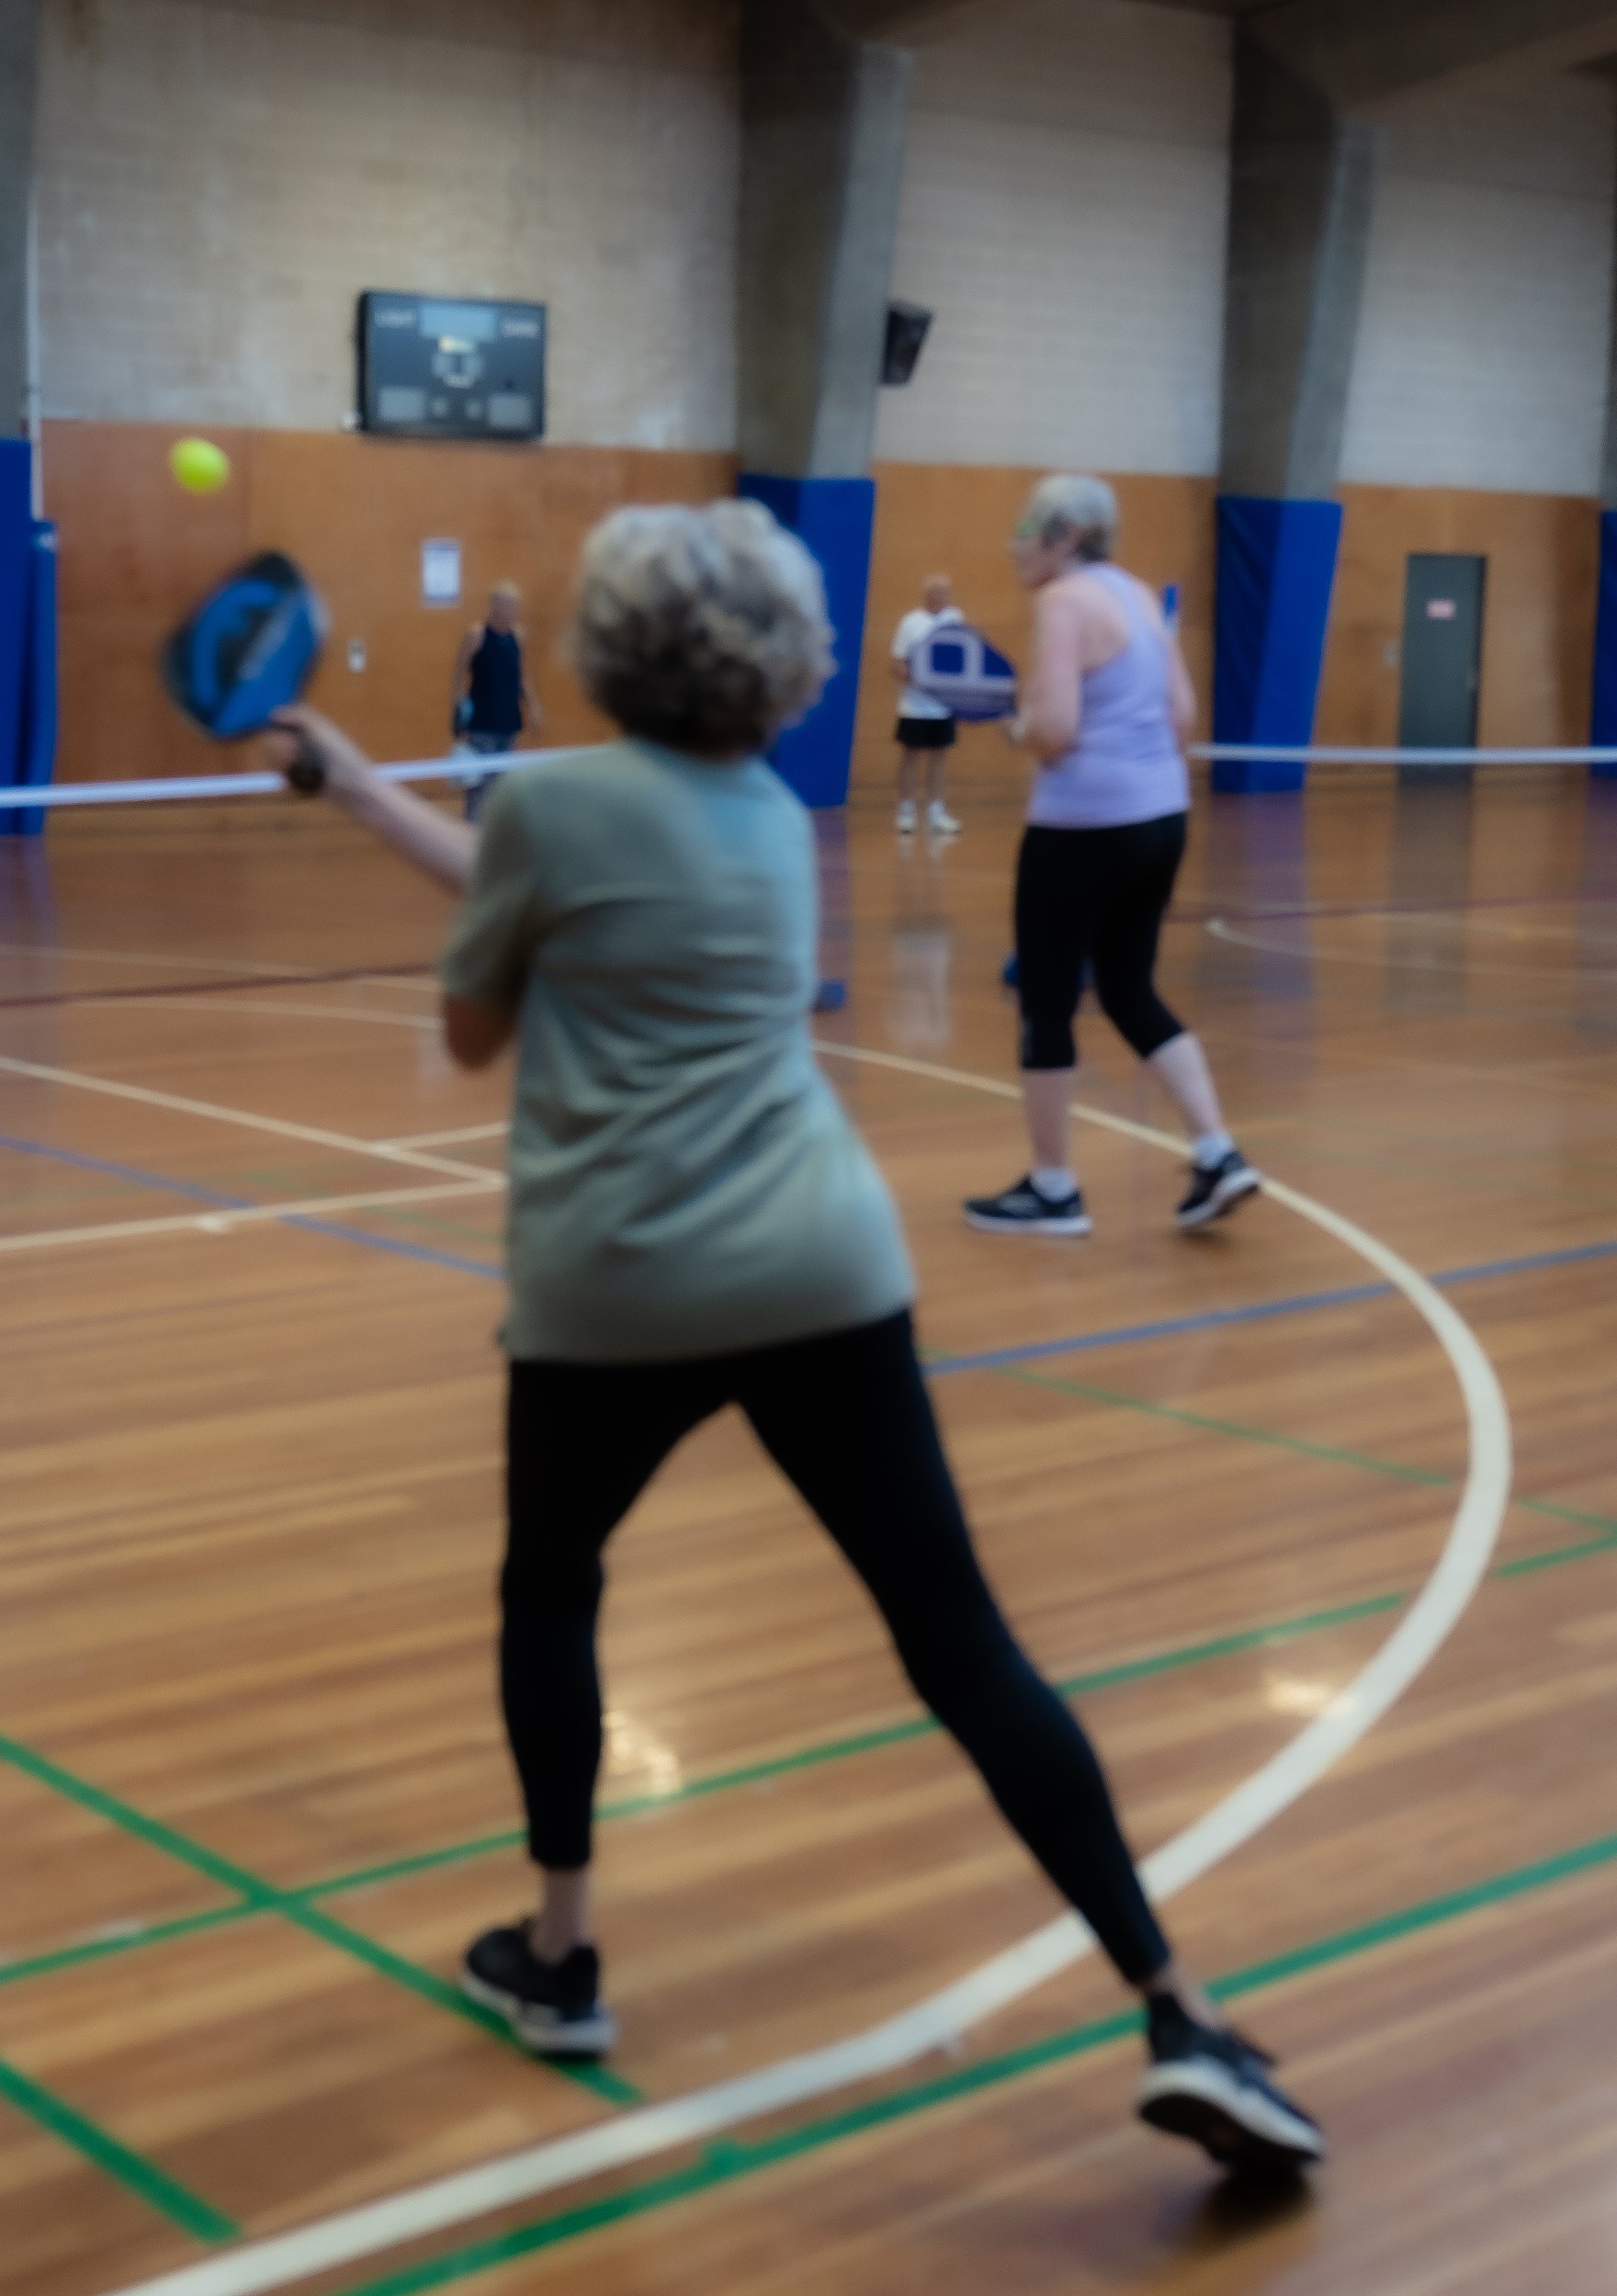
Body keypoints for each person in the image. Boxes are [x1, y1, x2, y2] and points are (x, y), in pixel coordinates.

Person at [256, 499, 1320, 2176]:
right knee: (963, 1649)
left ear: (611, 644)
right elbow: (559, 870)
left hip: (611, 1288)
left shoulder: (551, 807)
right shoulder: (766, 815)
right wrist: (369, 792)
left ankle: (562, 1957)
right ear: (782, 662)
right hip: (826, 1268)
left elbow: (477, 1025)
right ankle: (1182, 2010)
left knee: (554, 1590)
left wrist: (448, 892)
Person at [965, 475, 1259, 1240]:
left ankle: (1053, 1189)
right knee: (1130, 988)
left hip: (1081, 827)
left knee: (1047, 1001)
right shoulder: (1135, 597)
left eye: (1025, 529)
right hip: (1160, 820)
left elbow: (1055, 731)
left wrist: (1020, 730)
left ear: (1063, 536)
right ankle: (1217, 1151)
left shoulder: (1062, 603)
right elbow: (1182, 716)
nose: (1013, 542)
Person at [446, 581, 543, 821]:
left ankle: (496, 838)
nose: (514, 611)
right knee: (479, 788)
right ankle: (471, 837)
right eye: (510, 605)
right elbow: (457, 677)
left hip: (508, 722)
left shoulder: (518, 636)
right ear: (496, 606)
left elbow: (521, 676)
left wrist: (534, 706)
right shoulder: (476, 635)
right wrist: (459, 716)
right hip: (482, 725)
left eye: (516, 606)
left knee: (503, 787)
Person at [889, 570, 966, 837]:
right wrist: (919, 681)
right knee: (911, 756)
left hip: (944, 706)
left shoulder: (955, 619)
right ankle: (906, 814)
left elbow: (961, 657)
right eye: (938, 592)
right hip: (915, 705)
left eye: (947, 592)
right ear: (928, 594)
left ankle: (937, 814)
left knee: (939, 758)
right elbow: (897, 662)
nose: (944, 597)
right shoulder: (910, 623)